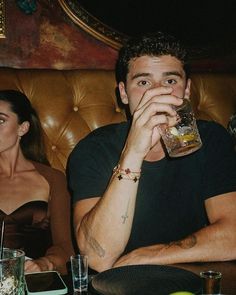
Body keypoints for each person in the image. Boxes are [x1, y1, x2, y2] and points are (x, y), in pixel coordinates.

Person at [67, 32, 236, 272]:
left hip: (193, 279)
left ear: (186, 90)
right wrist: (133, 152)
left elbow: (232, 235)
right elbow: (97, 256)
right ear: (124, 93)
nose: (158, 93)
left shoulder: (212, 139)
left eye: (170, 81)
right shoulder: (94, 148)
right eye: (143, 82)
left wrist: (151, 256)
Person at [0, 90, 74, 274]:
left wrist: (44, 264)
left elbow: (65, 247)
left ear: (22, 128)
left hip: (36, 281)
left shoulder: (53, 179)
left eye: (0, 120)